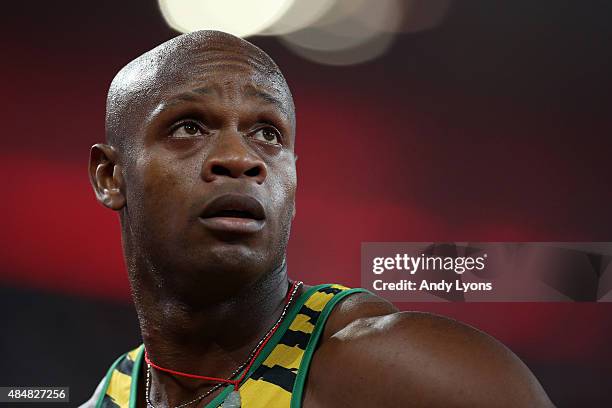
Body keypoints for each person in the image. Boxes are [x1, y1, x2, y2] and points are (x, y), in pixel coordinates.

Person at [83, 30, 553, 407]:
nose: (240, 159)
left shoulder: (407, 374)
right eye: (189, 127)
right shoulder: (110, 398)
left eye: (267, 133)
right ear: (111, 177)